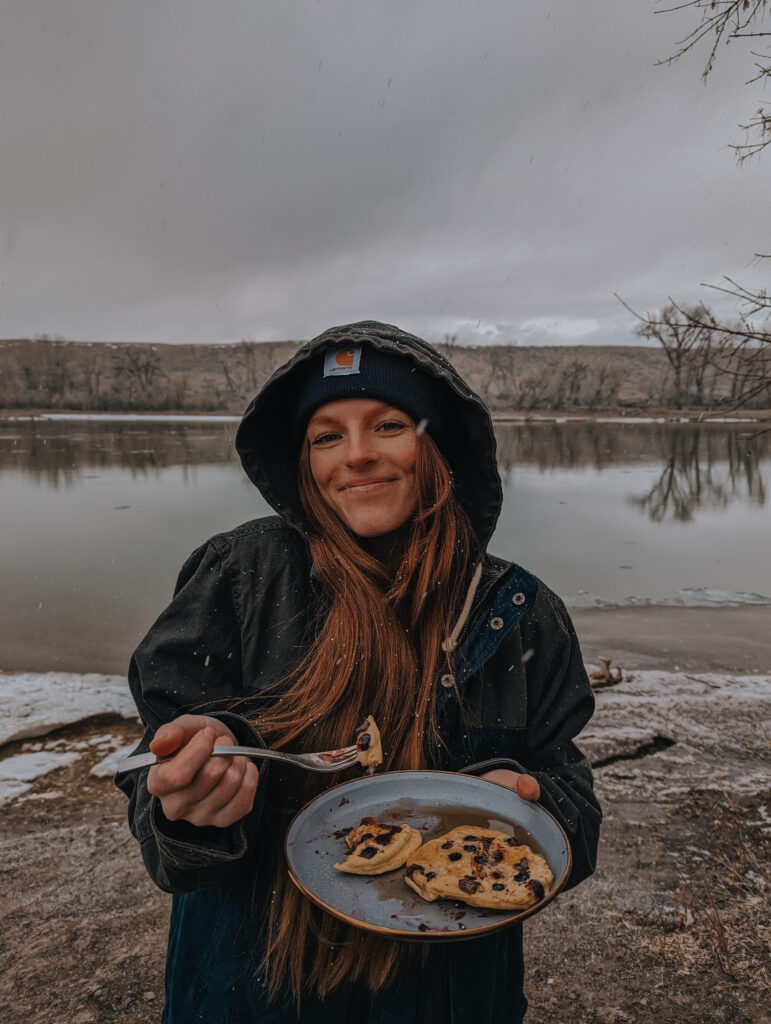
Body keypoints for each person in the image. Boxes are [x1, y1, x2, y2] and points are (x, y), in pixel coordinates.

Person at [116, 320, 601, 1024]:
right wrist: (184, 809)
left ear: (435, 443)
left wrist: (534, 813)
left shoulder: (516, 612)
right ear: (303, 459)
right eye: (327, 436)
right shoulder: (240, 578)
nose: (358, 456)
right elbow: (154, 781)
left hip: (450, 993)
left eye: (389, 425)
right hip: (246, 990)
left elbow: (572, 798)